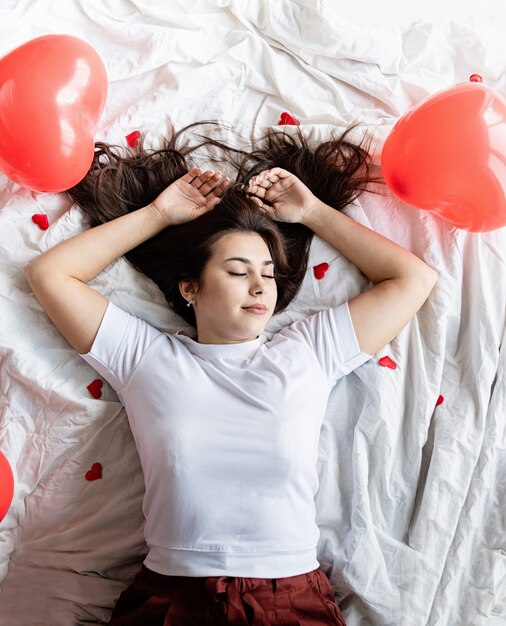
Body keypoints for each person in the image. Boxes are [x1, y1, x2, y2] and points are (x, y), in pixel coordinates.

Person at [25, 124, 437, 625]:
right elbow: (51, 274)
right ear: (190, 288)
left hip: (289, 597)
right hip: (174, 596)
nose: (260, 286)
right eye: (239, 272)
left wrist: (311, 213)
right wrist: (157, 215)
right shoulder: (147, 359)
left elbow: (412, 278)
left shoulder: (308, 352)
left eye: (267, 273)